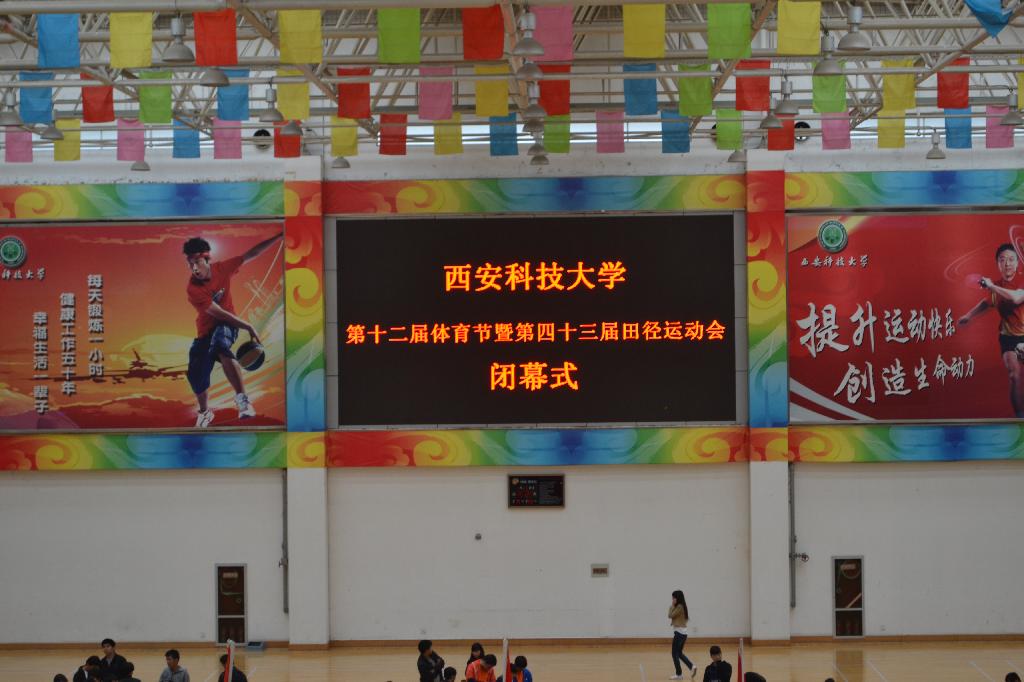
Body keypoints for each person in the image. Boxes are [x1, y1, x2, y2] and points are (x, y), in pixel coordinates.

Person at [183, 232, 283, 427]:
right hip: (205, 331)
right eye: (189, 263)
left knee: (220, 343)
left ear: (206, 258)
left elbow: (251, 254)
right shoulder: (193, 289)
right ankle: (205, 413)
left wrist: (278, 237)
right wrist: (248, 325)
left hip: (227, 325)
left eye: (197, 262)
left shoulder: (223, 269)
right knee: (196, 377)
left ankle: (243, 402)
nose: (194, 268)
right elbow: (218, 312)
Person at [959, 243, 1024, 416]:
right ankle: (1020, 418)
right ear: (998, 264)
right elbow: (986, 303)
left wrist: (991, 286)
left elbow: (1016, 298)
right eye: (1002, 260)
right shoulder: (995, 286)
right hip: (1008, 337)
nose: (1007, 263)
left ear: (1017, 263)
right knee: (1014, 375)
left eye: (1011, 259)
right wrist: (968, 315)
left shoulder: (1021, 281)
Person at [669, 589, 697, 680]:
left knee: (674, 654)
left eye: (673, 598)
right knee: (679, 653)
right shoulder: (682, 606)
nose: (672, 600)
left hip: (679, 634)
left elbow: (670, 615)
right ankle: (692, 666)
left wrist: (672, 606)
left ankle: (679, 674)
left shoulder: (679, 607)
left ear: (678, 598)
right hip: (683, 634)